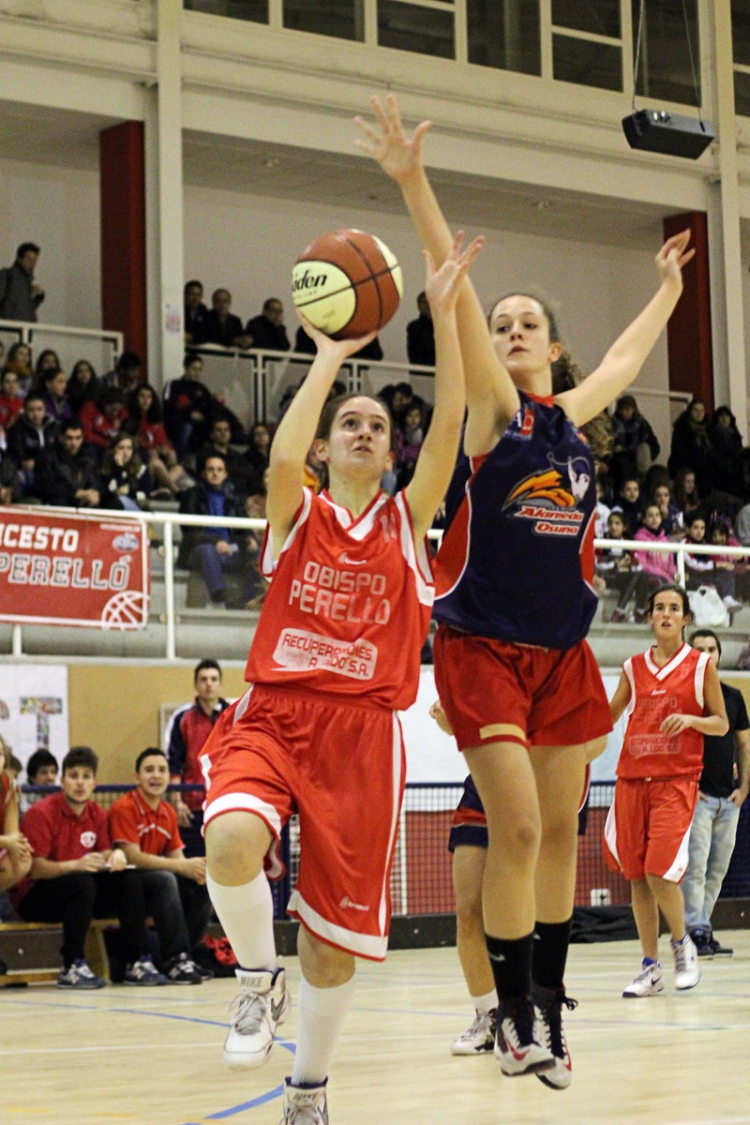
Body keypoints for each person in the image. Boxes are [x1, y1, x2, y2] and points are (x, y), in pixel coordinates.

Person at [355, 91, 695, 1088]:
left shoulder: (571, 421)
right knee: (513, 828)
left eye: (527, 322)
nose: (509, 328)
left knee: (554, 844)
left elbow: (625, 358)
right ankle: (508, 1016)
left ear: (552, 347)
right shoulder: (495, 414)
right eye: (500, 321)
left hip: (563, 654)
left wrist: (669, 292)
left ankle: (544, 1005)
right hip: (481, 646)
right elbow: (458, 301)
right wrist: (415, 186)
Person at [200, 229, 479, 1125]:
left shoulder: (407, 521)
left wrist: (445, 316)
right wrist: (328, 354)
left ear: (392, 454)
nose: (363, 432)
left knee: (332, 944)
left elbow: (451, 426)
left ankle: (309, 1086)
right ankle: (256, 978)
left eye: (377, 427)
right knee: (230, 841)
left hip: (362, 737)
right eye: (348, 425)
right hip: (275, 712)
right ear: (327, 447)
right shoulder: (300, 511)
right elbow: (281, 459)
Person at [604, 584, 728, 997]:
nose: (666, 614)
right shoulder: (632, 667)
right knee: (637, 876)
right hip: (632, 779)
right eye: (659, 608)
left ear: (686, 618)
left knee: (659, 871)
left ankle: (682, 945)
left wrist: (692, 721)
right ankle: (650, 967)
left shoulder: (700, 665)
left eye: (674, 608)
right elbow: (608, 716)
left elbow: (721, 723)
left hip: (675, 780)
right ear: (649, 617)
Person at [10, 746, 167, 988]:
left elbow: (103, 851)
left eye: (86, 777)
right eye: (73, 776)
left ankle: (136, 962)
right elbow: (36, 869)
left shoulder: (97, 814)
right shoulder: (40, 813)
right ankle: (72, 965)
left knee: (129, 878)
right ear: (62, 781)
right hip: (34, 897)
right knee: (81, 881)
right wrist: (77, 864)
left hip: (80, 893)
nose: (80, 783)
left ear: (94, 783)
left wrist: (115, 855)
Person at [108, 748, 211, 984]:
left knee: (201, 884)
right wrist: (181, 867)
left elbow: (178, 857)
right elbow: (132, 856)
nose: (156, 775)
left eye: (162, 770)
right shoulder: (125, 807)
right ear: (137, 777)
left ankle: (185, 956)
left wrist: (194, 869)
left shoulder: (168, 811)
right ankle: (174, 959)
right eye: (149, 770)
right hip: (127, 886)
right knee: (166, 878)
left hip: (159, 884)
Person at [681, 630, 750, 958]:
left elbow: (744, 744)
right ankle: (694, 930)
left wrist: (744, 787)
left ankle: (702, 927)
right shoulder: (684, 697)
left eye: (712, 649)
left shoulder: (733, 697)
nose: (707, 654)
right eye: (700, 649)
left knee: (718, 870)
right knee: (695, 868)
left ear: (720, 654)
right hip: (698, 798)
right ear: (690, 655)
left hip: (728, 800)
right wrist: (688, 787)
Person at [164, 659, 231, 859]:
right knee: (194, 866)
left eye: (213, 679)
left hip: (225, 802)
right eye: (203, 679)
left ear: (220, 683)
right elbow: (174, 764)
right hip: (192, 808)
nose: (209, 684)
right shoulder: (182, 718)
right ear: (195, 684)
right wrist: (177, 802)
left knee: (224, 864)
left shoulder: (234, 717)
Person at [177, 453, 253, 607]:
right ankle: (220, 594)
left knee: (257, 554)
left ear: (225, 474)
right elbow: (190, 530)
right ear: (204, 473)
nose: (215, 473)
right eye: (210, 469)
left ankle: (253, 602)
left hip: (230, 549)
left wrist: (249, 538)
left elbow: (243, 526)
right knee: (208, 551)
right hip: (198, 549)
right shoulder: (192, 495)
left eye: (219, 470)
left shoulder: (234, 498)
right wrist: (216, 542)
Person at [34, 419, 101, 509]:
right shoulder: (47, 455)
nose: (74, 443)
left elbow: (93, 480)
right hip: (57, 502)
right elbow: (44, 486)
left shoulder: (88, 455)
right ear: (60, 437)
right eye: (69, 438)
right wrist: (75, 493)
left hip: (82, 501)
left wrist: (94, 493)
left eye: (78, 438)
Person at [163, 353, 216, 459]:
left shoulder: (202, 390)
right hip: (176, 425)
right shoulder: (173, 385)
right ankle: (177, 461)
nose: (197, 373)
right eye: (194, 369)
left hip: (198, 428)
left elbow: (209, 409)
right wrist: (189, 414)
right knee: (186, 427)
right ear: (186, 368)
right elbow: (168, 408)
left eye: (200, 370)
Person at [633, 502, 677, 622]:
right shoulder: (640, 538)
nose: (654, 518)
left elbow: (670, 563)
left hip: (665, 577)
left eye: (657, 515)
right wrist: (664, 575)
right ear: (644, 519)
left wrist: (673, 575)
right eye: (650, 515)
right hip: (648, 577)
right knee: (661, 583)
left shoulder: (665, 540)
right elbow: (642, 563)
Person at [610, 393, 660, 487]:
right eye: (621, 409)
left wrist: (644, 456)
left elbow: (654, 446)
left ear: (633, 409)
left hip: (639, 462)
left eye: (627, 409)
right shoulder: (613, 424)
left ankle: (643, 480)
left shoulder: (642, 425)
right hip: (620, 462)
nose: (624, 412)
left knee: (644, 448)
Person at [0, 762, 32, 896]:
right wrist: (7, 842)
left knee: (21, 859)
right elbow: (8, 840)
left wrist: (18, 845)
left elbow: (12, 833)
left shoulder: (8, 783)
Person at [668, 398, 711, 492]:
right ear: (690, 412)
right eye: (696, 410)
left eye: (702, 410)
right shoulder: (682, 429)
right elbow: (679, 453)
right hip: (686, 472)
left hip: (705, 476)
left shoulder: (709, 430)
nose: (699, 413)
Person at [100, 433, 150, 511]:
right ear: (113, 450)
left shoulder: (141, 469)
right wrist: (119, 467)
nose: (125, 452)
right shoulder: (106, 470)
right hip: (112, 507)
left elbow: (145, 494)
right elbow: (108, 492)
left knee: (121, 500)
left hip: (135, 507)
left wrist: (129, 492)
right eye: (121, 448)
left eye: (129, 448)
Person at [0, 242, 45, 322]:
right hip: (9, 328)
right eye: (29, 259)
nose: (32, 264)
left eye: (34, 260)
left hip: (25, 328)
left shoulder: (27, 283)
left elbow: (25, 310)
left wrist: (38, 298)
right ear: (20, 259)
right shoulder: (7, 276)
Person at [406, 289, 435, 367]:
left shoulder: (444, 327)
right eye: (425, 303)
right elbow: (415, 357)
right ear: (419, 306)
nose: (428, 306)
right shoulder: (414, 327)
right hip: (421, 372)